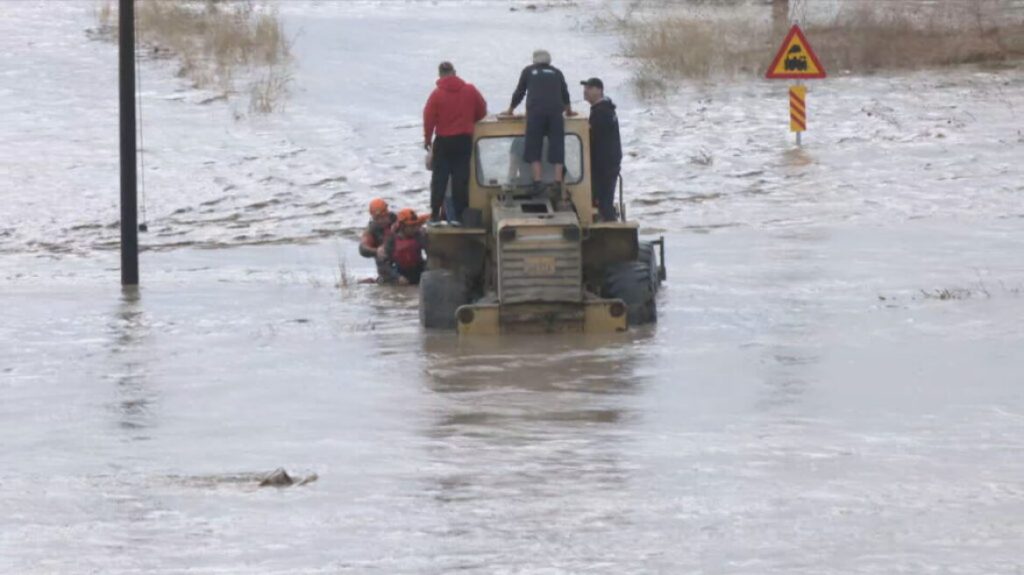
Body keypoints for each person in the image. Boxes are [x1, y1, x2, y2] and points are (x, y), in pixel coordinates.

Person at [502, 49, 575, 197]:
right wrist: (568, 111)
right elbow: (565, 93)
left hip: (536, 112)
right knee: (557, 145)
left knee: (534, 144)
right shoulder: (557, 72)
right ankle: (557, 181)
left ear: (534, 61)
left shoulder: (528, 71)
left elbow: (520, 92)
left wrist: (510, 109)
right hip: (556, 112)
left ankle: (537, 181)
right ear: (549, 61)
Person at [423, 61, 488, 223]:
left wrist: (427, 138)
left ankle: (435, 215)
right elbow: (482, 109)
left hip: (444, 141)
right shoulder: (470, 90)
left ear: (440, 75)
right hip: (464, 140)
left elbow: (428, 117)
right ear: (455, 72)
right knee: (461, 178)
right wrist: (470, 120)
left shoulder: (436, 94)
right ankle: (459, 216)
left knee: (439, 179)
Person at [581, 77, 622, 221]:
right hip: (608, 162)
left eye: (589, 88)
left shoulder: (602, 111)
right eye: (585, 88)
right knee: (603, 201)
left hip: (604, 164)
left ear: (599, 90)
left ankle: (612, 232)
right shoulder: (605, 108)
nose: (585, 92)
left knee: (603, 203)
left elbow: (595, 137)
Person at [381, 208, 430, 285]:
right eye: (411, 226)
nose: (415, 228)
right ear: (402, 226)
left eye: (415, 225)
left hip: (418, 270)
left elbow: (431, 254)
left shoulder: (419, 235)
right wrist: (397, 277)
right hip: (400, 272)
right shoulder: (392, 239)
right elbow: (384, 264)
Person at [359, 198, 398, 282]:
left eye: (383, 217)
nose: (381, 221)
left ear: (387, 213)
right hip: (386, 265)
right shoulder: (372, 230)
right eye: (377, 218)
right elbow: (362, 248)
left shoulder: (398, 220)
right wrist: (376, 251)